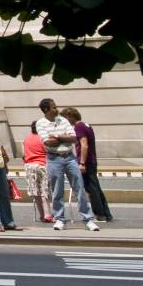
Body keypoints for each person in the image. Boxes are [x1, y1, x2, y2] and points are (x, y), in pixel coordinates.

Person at [35, 97, 98, 232]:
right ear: (46, 109)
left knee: (79, 188)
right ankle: (60, 219)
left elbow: (73, 138)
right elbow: (47, 142)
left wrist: (57, 137)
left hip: (70, 157)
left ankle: (88, 219)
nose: (56, 109)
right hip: (53, 159)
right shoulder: (40, 123)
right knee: (57, 190)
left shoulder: (62, 120)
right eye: (53, 107)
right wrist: (64, 137)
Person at [64, 106, 114, 223]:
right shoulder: (86, 125)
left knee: (91, 189)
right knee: (96, 188)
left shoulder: (79, 127)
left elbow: (84, 145)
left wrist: (82, 163)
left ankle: (100, 215)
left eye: (66, 118)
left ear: (70, 116)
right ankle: (106, 213)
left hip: (86, 162)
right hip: (92, 160)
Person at [21, 126, 50, 222]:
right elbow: (49, 152)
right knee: (44, 190)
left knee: (35, 192)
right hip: (42, 165)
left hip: (29, 166)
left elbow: (23, 155)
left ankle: (41, 215)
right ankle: (47, 214)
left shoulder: (26, 139)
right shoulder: (43, 139)